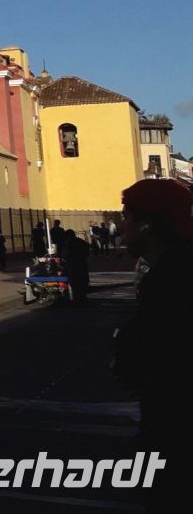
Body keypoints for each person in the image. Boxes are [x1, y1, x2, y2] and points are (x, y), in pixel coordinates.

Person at [113, 179, 193, 510]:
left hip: (174, 429)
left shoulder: (171, 278)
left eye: (126, 217)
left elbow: (164, 357)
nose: (121, 226)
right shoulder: (175, 267)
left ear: (147, 225)